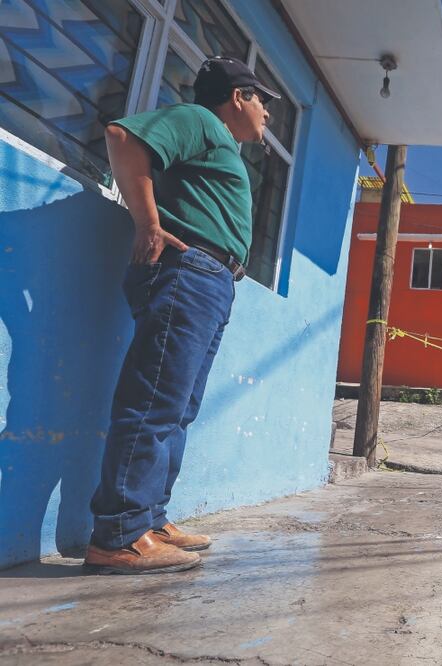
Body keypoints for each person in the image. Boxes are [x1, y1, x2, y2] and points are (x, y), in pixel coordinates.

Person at [83, 56, 279, 575]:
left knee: (177, 408)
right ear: (237, 96)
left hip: (211, 279)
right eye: (262, 100)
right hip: (187, 271)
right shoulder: (201, 121)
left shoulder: (221, 143)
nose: (267, 114)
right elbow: (123, 138)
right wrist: (147, 223)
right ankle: (119, 536)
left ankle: (149, 519)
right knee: (153, 402)